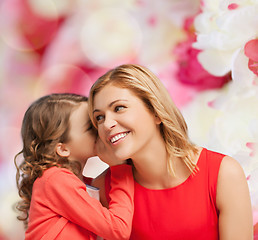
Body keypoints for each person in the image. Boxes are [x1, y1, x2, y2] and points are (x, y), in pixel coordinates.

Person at [88, 64, 254, 240]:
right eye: (99, 117)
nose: (106, 124)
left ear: (156, 112)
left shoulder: (223, 174)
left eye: (119, 108)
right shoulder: (103, 189)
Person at [14, 93, 134, 240]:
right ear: (63, 149)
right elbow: (118, 230)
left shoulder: (80, 183)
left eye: (98, 120)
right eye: (90, 127)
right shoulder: (55, 179)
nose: (101, 128)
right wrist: (120, 168)